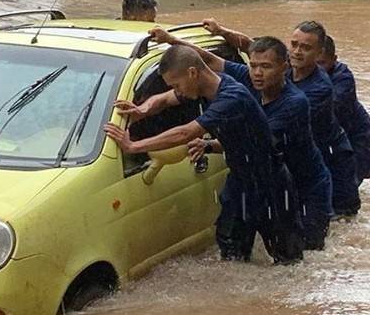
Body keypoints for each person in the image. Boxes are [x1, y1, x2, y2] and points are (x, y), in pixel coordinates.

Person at [104, 44, 304, 264]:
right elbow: (163, 99)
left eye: (177, 84)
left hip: (271, 184)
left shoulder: (231, 97)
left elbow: (185, 132)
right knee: (230, 253)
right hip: (240, 181)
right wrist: (143, 109)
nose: (177, 90)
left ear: (192, 73)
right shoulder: (199, 88)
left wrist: (133, 146)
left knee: (288, 262)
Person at [152, 30, 332, 251]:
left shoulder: (296, 103)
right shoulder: (249, 78)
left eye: (266, 67)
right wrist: (172, 40)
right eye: (253, 65)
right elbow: (207, 62)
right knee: (235, 247)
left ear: (285, 68)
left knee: (303, 251)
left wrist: (208, 144)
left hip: (304, 183)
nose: (257, 72)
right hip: (264, 175)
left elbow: (256, 139)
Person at [203, 19, 361, 217]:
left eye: (305, 47)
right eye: (294, 45)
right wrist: (220, 32)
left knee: (340, 223)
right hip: (295, 165)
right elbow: (250, 46)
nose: (297, 51)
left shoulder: (318, 89)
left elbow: (264, 134)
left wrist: (210, 144)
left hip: (330, 162)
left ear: (319, 52)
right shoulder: (279, 70)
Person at [318, 35, 370, 184]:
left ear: (334, 60)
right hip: (336, 139)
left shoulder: (342, 78)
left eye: (322, 63)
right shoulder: (300, 69)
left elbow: (324, 110)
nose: (316, 69)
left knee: (345, 190)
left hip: (357, 140)